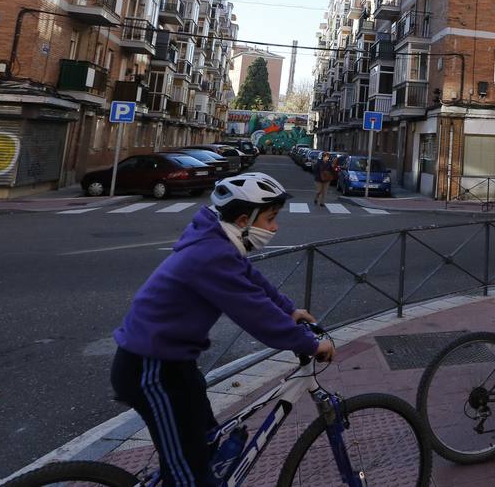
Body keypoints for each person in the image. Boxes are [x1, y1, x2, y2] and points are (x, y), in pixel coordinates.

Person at [111, 172, 333, 486]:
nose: (275, 227)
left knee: (206, 441)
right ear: (244, 220)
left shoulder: (218, 242)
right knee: (190, 475)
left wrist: (290, 311)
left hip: (174, 364)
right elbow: (254, 313)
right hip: (149, 369)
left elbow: (253, 282)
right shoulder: (210, 255)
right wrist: (310, 344)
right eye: (270, 219)